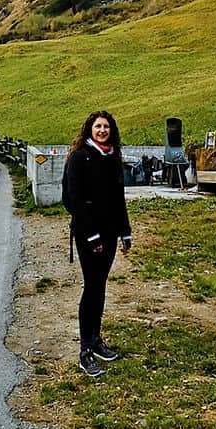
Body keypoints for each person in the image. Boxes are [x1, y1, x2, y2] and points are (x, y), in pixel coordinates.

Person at [64, 110, 132, 378]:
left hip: (110, 231)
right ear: (89, 129)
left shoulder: (113, 157)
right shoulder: (80, 158)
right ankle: (85, 350)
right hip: (87, 232)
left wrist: (124, 233)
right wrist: (91, 236)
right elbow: (73, 200)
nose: (102, 130)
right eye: (98, 126)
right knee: (91, 287)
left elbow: (119, 198)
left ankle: (96, 339)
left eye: (106, 127)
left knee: (100, 286)